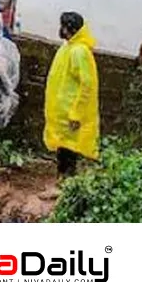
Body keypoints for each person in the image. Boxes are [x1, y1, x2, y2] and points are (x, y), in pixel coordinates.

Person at [45, 12, 100, 176]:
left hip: (70, 113)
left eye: (64, 27)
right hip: (62, 112)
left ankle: (66, 185)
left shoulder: (79, 52)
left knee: (69, 151)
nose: (61, 30)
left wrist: (77, 113)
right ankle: (62, 182)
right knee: (63, 148)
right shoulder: (68, 47)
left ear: (72, 29)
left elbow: (87, 85)